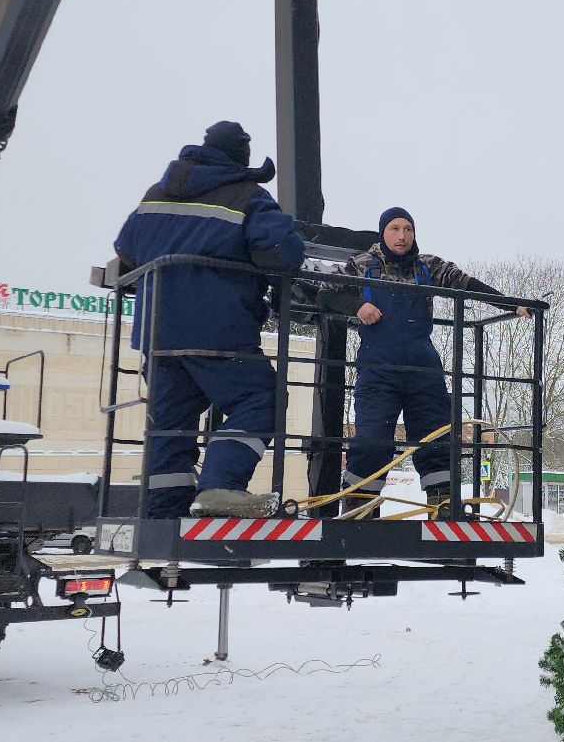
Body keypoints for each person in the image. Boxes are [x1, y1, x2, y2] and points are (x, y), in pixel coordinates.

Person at [114, 121, 305, 519]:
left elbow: (125, 252)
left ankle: (163, 513)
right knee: (261, 398)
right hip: (217, 329)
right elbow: (282, 251)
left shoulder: (156, 194)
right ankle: (220, 486)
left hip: (158, 334)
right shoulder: (247, 196)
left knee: (172, 423)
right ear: (241, 156)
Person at [323, 207, 529, 514]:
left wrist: (511, 304)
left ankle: (442, 505)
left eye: (408, 229)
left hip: (423, 368)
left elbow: (467, 285)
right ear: (383, 232)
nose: (402, 236)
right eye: (394, 228)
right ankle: (359, 508)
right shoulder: (362, 264)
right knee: (372, 439)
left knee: (436, 435)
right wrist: (357, 306)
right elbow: (324, 294)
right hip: (378, 370)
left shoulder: (428, 266)